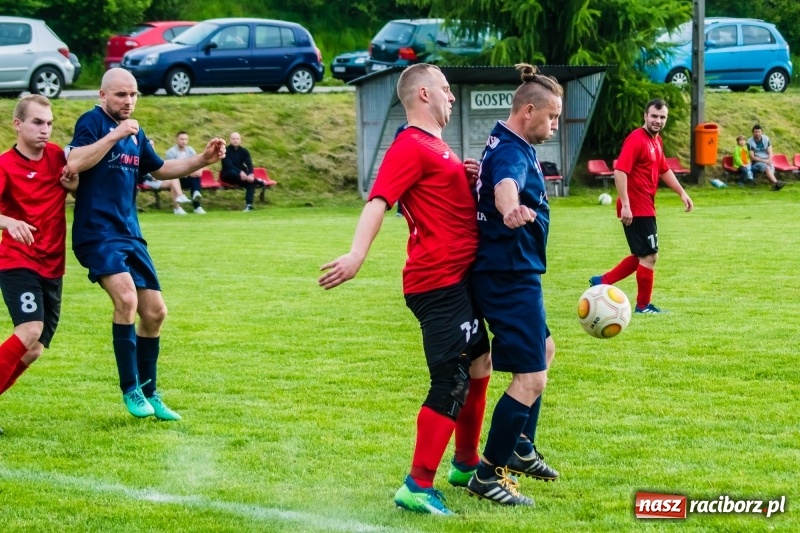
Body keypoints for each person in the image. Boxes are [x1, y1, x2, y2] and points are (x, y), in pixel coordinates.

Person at [319, 63, 491, 516]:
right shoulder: (410, 145)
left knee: (480, 364)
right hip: (437, 282)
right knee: (451, 380)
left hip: (460, 278)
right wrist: (357, 254)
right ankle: (417, 484)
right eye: (445, 89)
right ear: (423, 95)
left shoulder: (437, 146)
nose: (452, 96)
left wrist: (467, 178)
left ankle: (466, 463)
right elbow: (379, 201)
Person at [65, 68, 225, 420]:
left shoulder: (136, 133)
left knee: (155, 312)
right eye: (121, 94)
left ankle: (151, 392)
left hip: (130, 233)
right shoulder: (92, 122)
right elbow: (74, 161)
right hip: (97, 232)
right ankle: (131, 389)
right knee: (126, 299)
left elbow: (160, 169)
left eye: (133, 94)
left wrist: (202, 160)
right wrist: (115, 134)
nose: (129, 101)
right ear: (103, 95)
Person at [464, 64, 562, 507]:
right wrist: (508, 209)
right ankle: (488, 475)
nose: (554, 124)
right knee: (531, 378)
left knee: (545, 350)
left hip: (514, 272)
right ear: (528, 111)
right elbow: (506, 185)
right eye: (552, 116)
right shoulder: (510, 152)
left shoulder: (508, 142)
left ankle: (521, 446)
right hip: (509, 277)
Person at [0, 95, 78, 430]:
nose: (45, 129)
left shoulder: (58, 157)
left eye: (49, 123)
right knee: (29, 329)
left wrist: (75, 188)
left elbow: (80, 192)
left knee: (33, 350)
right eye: (37, 122)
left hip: (53, 265)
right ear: (18, 124)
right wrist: (8, 222)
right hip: (17, 260)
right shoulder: (5, 165)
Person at [589, 98, 693, 314]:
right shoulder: (636, 139)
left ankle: (603, 280)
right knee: (649, 256)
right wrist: (626, 205)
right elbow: (620, 171)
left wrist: (682, 193)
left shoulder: (656, 141)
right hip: (636, 207)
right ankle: (643, 306)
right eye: (654, 116)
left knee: (642, 254)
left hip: (645, 206)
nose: (658, 120)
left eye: (662, 117)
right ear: (645, 116)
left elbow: (664, 169)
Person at [220, 132, 267, 211]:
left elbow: (249, 164)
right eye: (233, 139)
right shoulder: (225, 151)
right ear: (230, 140)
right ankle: (257, 181)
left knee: (250, 182)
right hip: (228, 175)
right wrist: (240, 172)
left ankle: (249, 205)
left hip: (242, 177)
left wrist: (251, 174)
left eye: (237, 139)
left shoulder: (244, 151)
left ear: (240, 140)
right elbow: (228, 165)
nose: (235, 140)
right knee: (232, 172)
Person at [165, 131, 206, 214]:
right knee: (174, 179)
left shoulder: (190, 150)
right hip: (177, 178)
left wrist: (199, 170)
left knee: (196, 176)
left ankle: (197, 205)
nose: (184, 141)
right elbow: (172, 169)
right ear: (177, 140)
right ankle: (177, 208)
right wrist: (188, 173)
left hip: (188, 177)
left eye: (185, 139)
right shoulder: (171, 152)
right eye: (181, 139)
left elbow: (196, 163)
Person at [747, 124, 785, 191]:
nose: (757, 133)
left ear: (762, 132)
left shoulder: (766, 139)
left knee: (771, 169)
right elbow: (752, 157)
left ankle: (774, 186)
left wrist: (769, 160)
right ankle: (777, 183)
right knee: (767, 168)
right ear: (753, 132)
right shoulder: (750, 142)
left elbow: (770, 151)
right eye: (755, 132)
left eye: (759, 131)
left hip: (767, 159)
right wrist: (765, 161)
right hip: (757, 161)